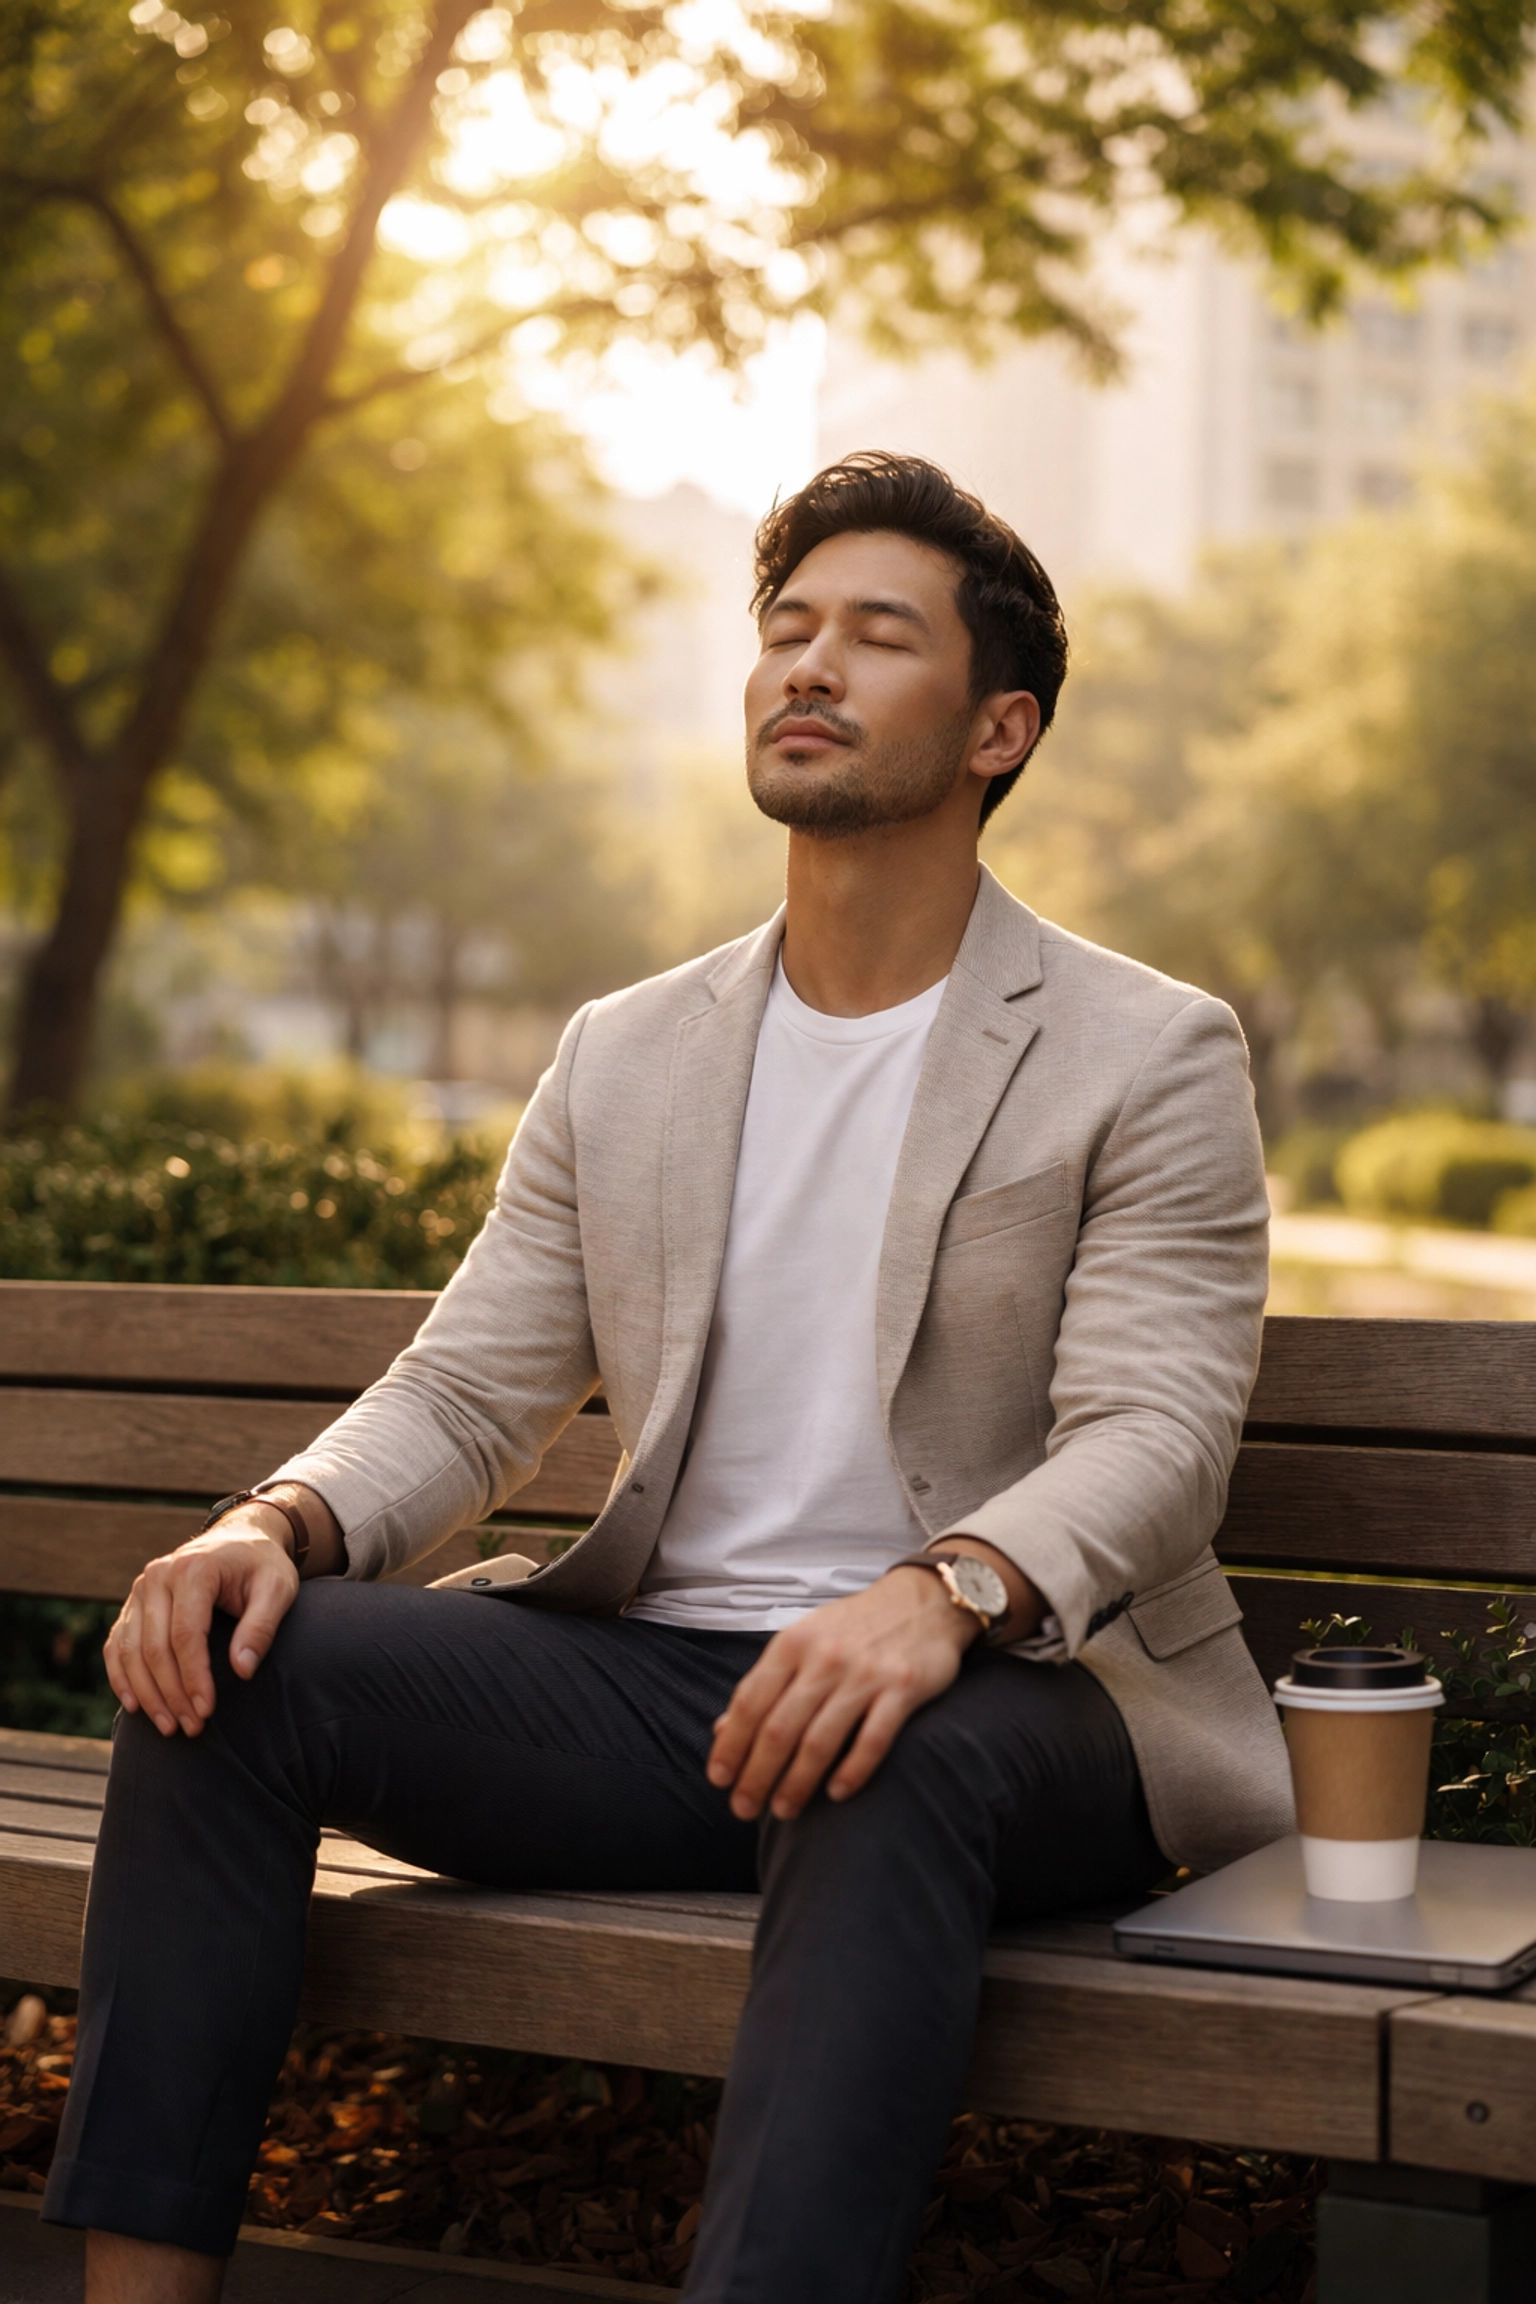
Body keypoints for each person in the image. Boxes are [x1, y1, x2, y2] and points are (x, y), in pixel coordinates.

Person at [44, 451, 1293, 2304]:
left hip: (1020, 1704)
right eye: (787, 628)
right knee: (227, 1667)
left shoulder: (1144, 1049)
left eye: (879, 637)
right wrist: (278, 1520)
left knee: (878, 1753)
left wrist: (938, 1596)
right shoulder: (629, 1052)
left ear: (997, 726)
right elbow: (471, 1390)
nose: (810, 665)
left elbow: (1159, 1439)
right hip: (669, 1701)